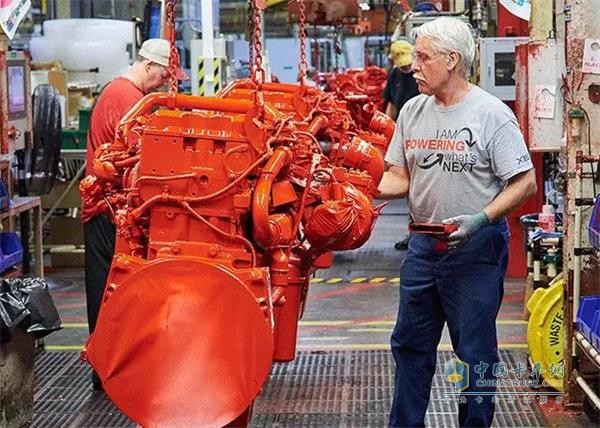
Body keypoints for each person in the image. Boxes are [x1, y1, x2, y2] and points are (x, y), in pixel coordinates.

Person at [378, 17, 536, 427]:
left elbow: (525, 182)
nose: (413, 65)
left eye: (423, 57)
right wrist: (355, 188)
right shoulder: (412, 111)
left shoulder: (490, 115)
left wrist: (481, 218)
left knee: (475, 355)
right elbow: (399, 176)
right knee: (410, 347)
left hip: (475, 249)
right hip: (422, 248)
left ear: (452, 60)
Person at [81, 38, 188, 390]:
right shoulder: (124, 97)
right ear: (148, 66)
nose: (166, 84)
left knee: (118, 293)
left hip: (117, 212)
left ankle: (115, 369)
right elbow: (140, 155)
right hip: (106, 212)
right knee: (108, 294)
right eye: (164, 77)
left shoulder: (131, 95)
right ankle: (106, 373)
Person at [382, 40, 420, 251]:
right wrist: (386, 131)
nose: (407, 68)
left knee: (419, 184)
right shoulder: (395, 76)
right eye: (402, 64)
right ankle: (413, 232)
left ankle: (418, 231)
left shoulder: (419, 75)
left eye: (408, 63)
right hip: (403, 135)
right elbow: (391, 104)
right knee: (408, 186)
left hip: (421, 136)